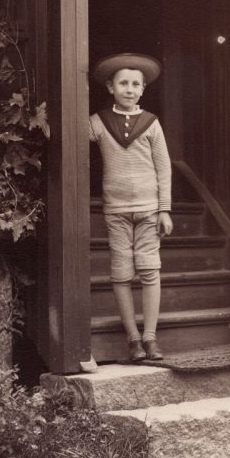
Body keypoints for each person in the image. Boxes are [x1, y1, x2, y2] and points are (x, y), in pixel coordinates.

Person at [89, 53, 173, 362]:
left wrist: (164, 209)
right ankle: (133, 339)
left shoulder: (151, 123)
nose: (130, 89)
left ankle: (151, 337)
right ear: (110, 87)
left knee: (150, 271)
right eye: (123, 83)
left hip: (149, 209)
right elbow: (73, 136)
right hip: (116, 211)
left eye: (136, 84)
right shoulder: (97, 122)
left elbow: (163, 168)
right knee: (122, 273)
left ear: (143, 89)